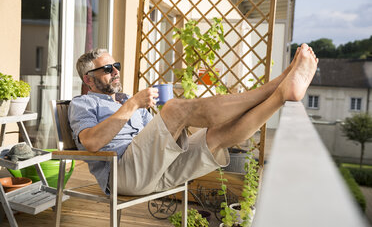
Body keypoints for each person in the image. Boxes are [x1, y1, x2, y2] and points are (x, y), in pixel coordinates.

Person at [69, 43, 318, 195]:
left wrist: (182, 124)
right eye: (107, 69)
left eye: (117, 66)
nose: (115, 72)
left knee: (216, 136)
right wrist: (134, 103)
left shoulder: (123, 100)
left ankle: (281, 95)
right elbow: (91, 143)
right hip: (124, 174)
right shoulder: (83, 103)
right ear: (88, 79)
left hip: (155, 172)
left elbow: (152, 141)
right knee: (175, 108)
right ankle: (277, 83)